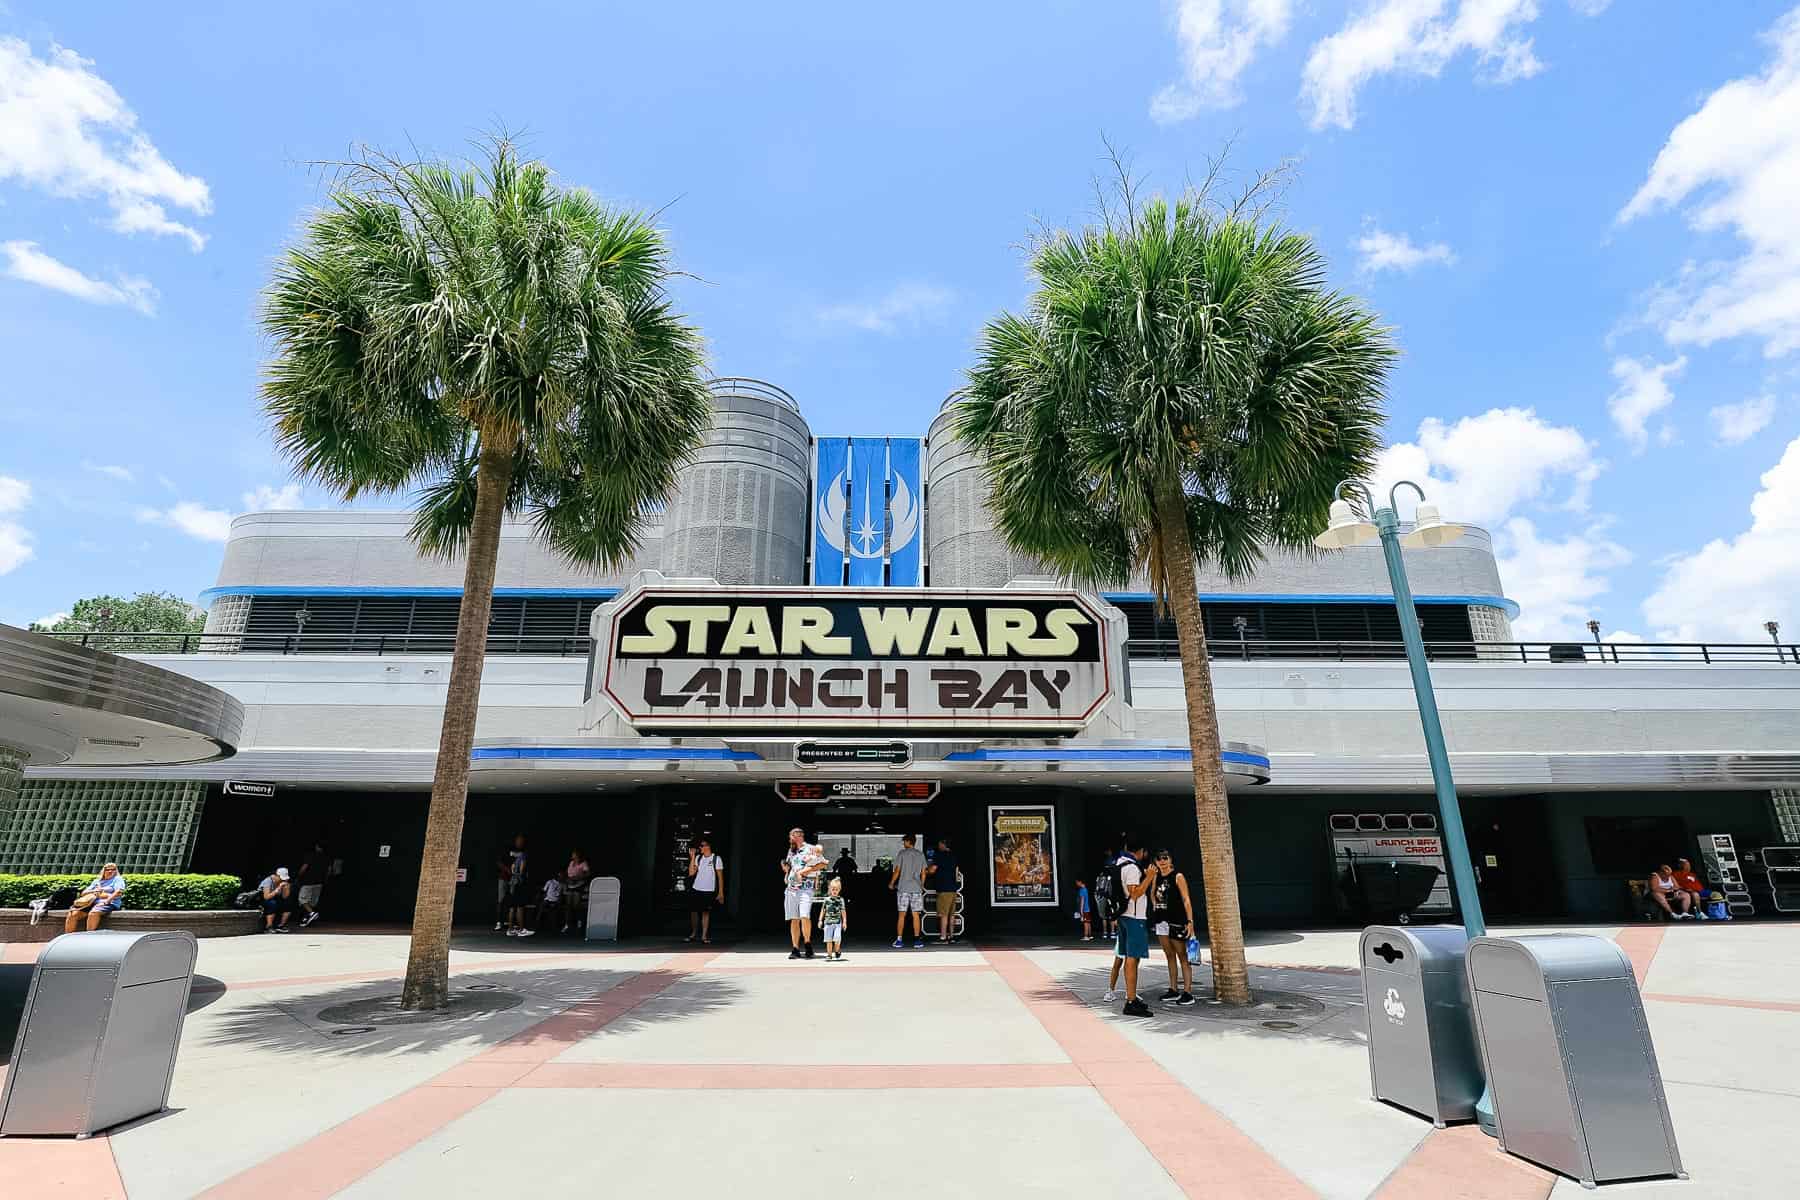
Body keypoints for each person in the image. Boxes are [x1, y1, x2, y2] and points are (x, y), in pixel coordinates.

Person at [1112, 841, 1155, 1016]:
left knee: (1131, 958)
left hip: (1123, 917)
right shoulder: (1131, 868)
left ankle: (1132, 998)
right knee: (1132, 958)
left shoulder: (1119, 863)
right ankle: (1130, 1001)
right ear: (1141, 851)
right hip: (1134, 917)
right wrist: (1149, 877)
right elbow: (1135, 893)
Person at [1149, 850, 1197, 1005]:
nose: (1162, 861)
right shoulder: (1156, 876)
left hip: (1176, 921)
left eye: (1165, 858)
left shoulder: (1178, 876)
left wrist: (1190, 921)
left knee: (1182, 955)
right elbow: (1153, 895)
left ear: (1170, 860)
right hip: (1161, 920)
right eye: (1159, 859)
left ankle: (1188, 992)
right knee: (1169, 954)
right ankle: (1173, 989)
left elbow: (1186, 899)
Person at [782, 828, 826, 959]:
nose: (790, 839)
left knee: (804, 916)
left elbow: (823, 864)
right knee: (794, 919)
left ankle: (807, 943)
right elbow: (790, 866)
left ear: (798, 836)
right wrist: (786, 873)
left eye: (792, 836)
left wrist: (806, 871)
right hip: (791, 888)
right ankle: (795, 948)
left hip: (806, 887)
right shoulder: (791, 850)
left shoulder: (811, 849)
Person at [64, 862, 127, 932]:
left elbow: (118, 892)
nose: (110, 871)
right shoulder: (97, 881)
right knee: (73, 914)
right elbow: (83, 893)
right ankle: (68, 937)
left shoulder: (117, 879)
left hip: (109, 902)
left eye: (113, 869)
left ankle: (89, 936)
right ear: (103, 871)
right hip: (91, 902)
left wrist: (107, 901)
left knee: (93, 913)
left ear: (116, 871)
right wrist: (95, 891)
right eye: (108, 869)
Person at [890, 833, 927, 949]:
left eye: (904, 841)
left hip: (903, 888)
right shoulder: (920, 855)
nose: (903, 843)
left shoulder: (902, 854)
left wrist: (892, 883)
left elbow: (897, 871)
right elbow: (924, 872)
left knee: (902, 915)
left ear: (908, 841)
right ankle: (917, 941)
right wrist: (922, 885)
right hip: (916, 888)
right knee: (916, 914)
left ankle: (899, 940)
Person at [687, 838, 724, 944]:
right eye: (700, 846)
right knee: (693, 912)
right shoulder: (698, 858)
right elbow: (691, 873)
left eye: (702, 846)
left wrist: (721, 892)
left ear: (708, 846)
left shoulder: (716, 859)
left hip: (708, 890)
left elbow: (720, 877)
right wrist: (692, 857)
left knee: (705, 912)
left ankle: (704, 936)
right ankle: (693, 933)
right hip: (696, 888)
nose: (700, 848)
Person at [927, 837, 960, 944]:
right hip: (953, 889)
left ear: (943, 844)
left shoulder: (939, 855)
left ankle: (943, 937)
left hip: (944, 889)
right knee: (952, 914)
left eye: (939, 844)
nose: (938, 846)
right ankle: (951, 936)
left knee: (943, 914)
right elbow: (956, 871)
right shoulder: (954, 856)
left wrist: (925, 871)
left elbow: (932, 870)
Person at [505, 834, 534, 937]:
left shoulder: (515, 860)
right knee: (520, 906)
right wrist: (521, 876)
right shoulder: (523, 856)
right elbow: (521, 871)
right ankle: (521, 929)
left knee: (512, 907)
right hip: (518, 883)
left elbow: (512, 869)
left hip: (512, 883)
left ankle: (510, 929)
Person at [295, 841, 329, 928]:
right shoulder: (326, 857)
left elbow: (304, 867)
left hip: (308, 881)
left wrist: (298, 876)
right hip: (319, 882)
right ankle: (307, 919)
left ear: (317, 847)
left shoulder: (310, 855)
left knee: (302, 899)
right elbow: (329, 870)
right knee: (312, 903)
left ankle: (312, 913)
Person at [562, 848, 592, 934]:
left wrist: (578, 877)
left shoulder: (583, 863)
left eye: (573, 854)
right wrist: (568, 879)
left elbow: (588, 873)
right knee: (568, 906)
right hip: (570, 885)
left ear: (578, 855)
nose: (572, 855)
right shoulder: (571, 863)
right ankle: (567, 924)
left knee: (576, 905)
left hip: (579, 886)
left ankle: (579, 921)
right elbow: (568, 873)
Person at [820, 877, 849, 961]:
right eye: (833, 889)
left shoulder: (841, 900)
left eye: (836, 889)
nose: (834, 891)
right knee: (828, 940)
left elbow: (843, 911)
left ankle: (837, 950)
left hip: (837, 923)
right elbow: (823, 910)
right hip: (828, 923)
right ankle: (829, 954)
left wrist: (845, 922)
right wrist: (820, 920)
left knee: (837, 938)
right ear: (829, 889)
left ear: (839, 890)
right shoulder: (826, 900)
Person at [259, 866, 293, 933]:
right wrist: (278, 888)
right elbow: (266, 897)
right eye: (281, 878)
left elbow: (285, 897)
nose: (282, 880)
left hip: (274, 899)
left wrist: (287, 888)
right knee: (272, 904)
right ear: (276, 875)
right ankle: (268, 927)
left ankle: (281, 926)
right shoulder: (267, 881)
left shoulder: (282, 882)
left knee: (288, 904)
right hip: (263, 900)